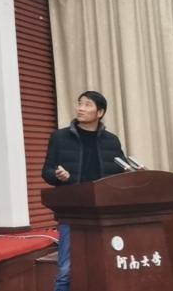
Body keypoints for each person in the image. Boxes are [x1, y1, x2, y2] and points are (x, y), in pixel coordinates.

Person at [41, 90, 129, 291]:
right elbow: (47, 171)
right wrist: (58, 175)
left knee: (106, 265)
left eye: (87, 105)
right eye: (80, 103)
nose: (81, 108)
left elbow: (121, 171)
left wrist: (135, 172)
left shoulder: (111, 141)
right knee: (66, 270)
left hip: (104, 213)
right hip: (72, 211)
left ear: (100, 112)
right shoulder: (59, 137)